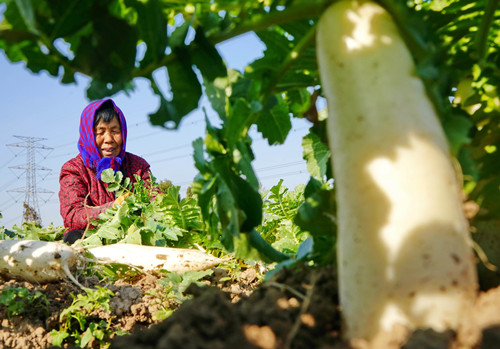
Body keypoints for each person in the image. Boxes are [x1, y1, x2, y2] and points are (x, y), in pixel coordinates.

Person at [59, 99, 152, 243]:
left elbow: (154, 198)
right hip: (93, 237)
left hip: (132, 234)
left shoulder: (138, 166)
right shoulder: (74, 169)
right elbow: (72, 215)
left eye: (115, 131)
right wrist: (114, 208)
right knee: (73, 238)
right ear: (88, 135)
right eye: (100, 132)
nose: (108, 139)